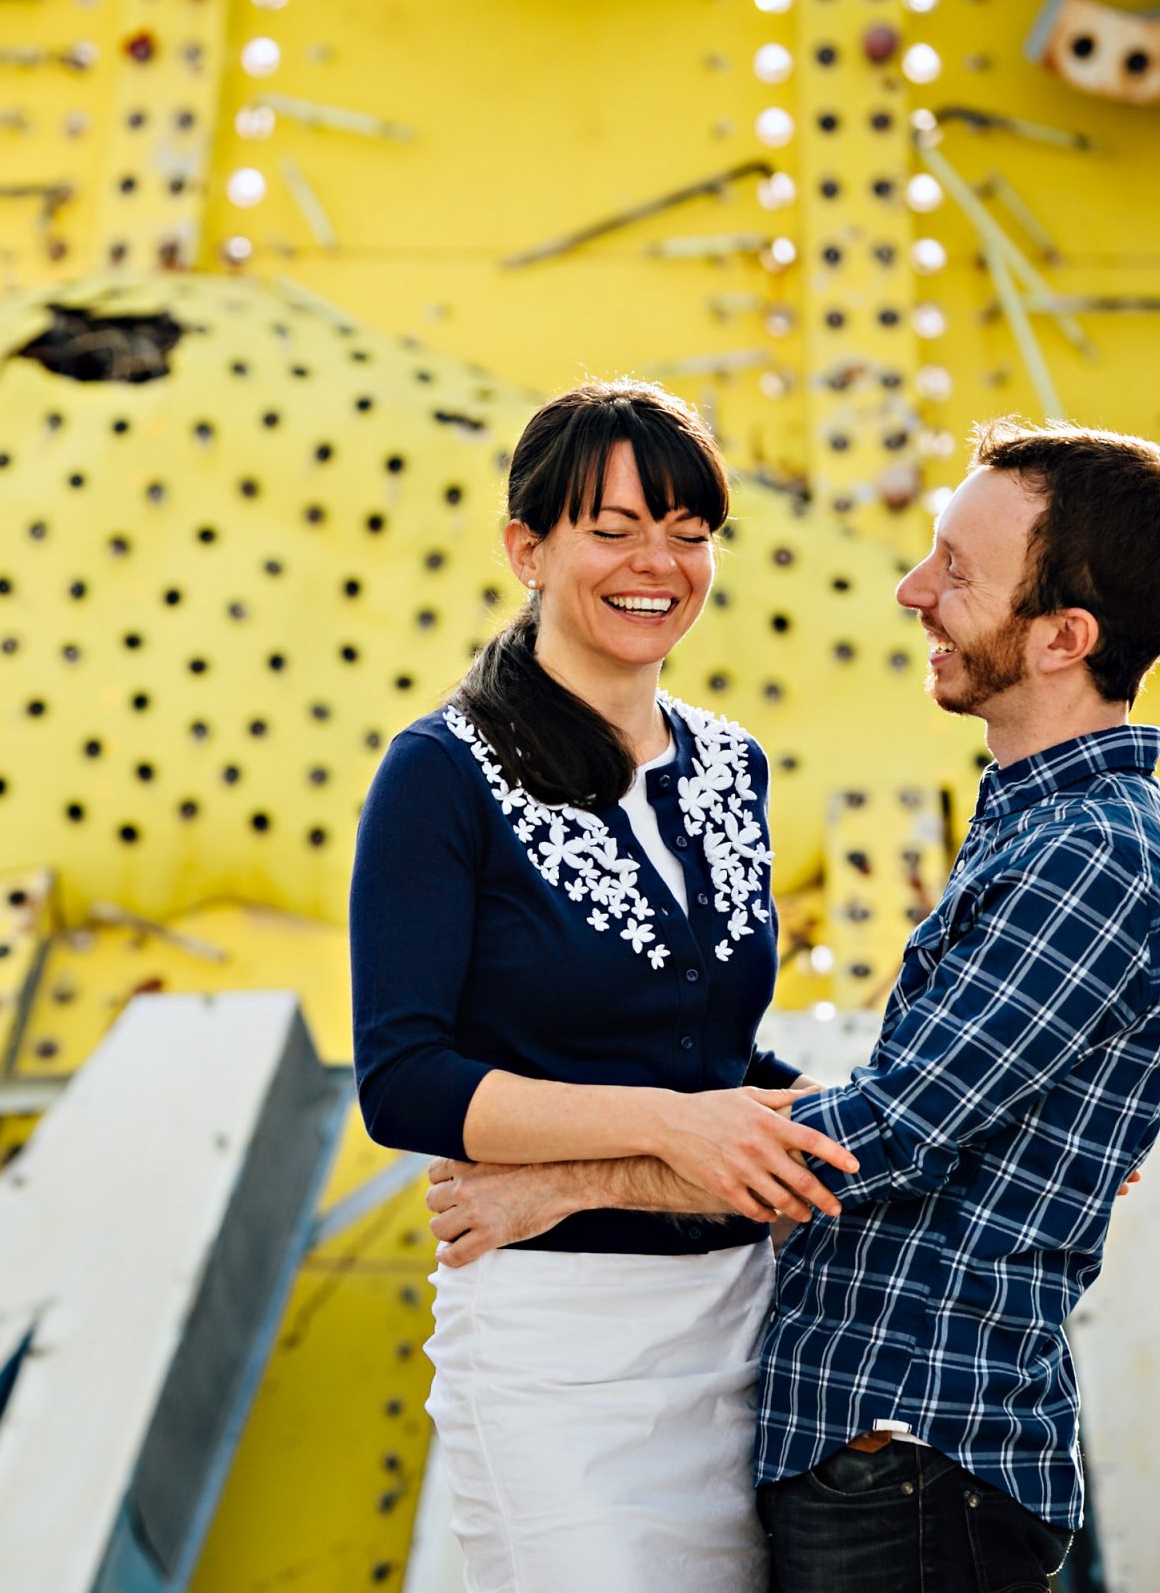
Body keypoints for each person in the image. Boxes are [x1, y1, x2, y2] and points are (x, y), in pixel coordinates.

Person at [422, 418, 1160, 1593]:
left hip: (913, 1456)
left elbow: (878, 1137)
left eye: (957, 570)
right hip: (871, 1451)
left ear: (1064, 637)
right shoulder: (1032, 824)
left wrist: (566, 1181)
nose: (914, 590)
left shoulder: (1088, 854)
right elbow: (910, 1117)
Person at [349, 378, 857, 1593]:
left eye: (689, 533)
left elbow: (714, 1059)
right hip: (550, 1347)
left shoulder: (734, 764)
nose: (658, 564)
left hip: (744, 1325)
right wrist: (666, 1123)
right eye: (613, 528)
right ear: (526, 547)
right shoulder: (437, 773)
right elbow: (404, 1080)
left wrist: (875, 1106)